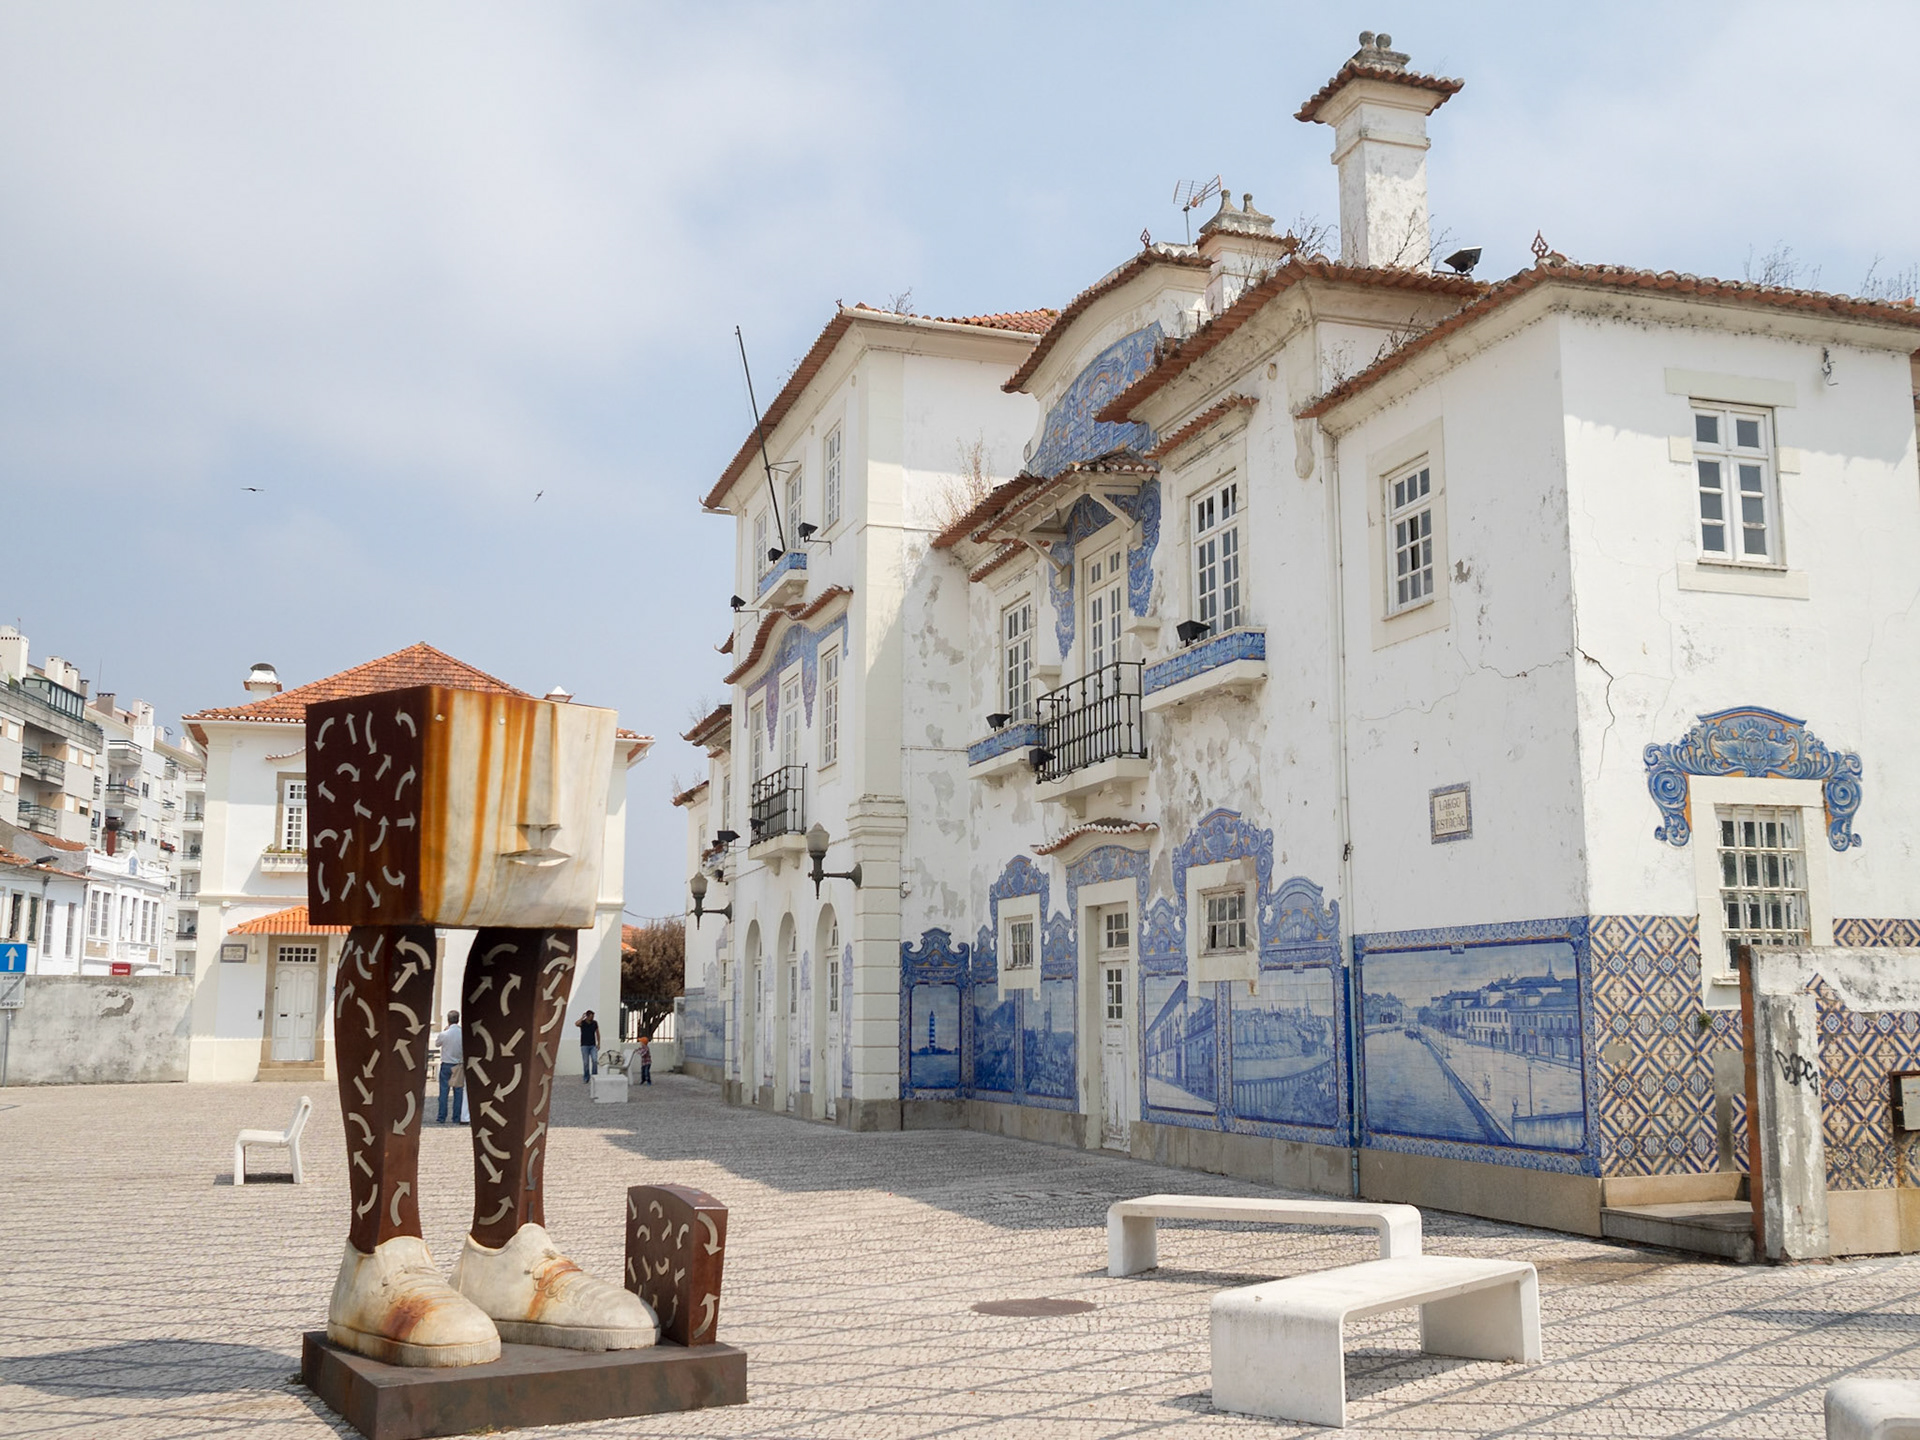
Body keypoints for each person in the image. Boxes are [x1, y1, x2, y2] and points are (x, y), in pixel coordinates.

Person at [435, 1010, 463, 1124]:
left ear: (448, 1020)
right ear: (458, 1019)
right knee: (458, 1093)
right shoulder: (462, 1033)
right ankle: (456, 1117)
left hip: (446, 1064)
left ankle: (442, 1117)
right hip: (458, 1065)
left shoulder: (444, 1034)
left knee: (443, 1092)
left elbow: (437, 1044)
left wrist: (444, 1031)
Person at [577, 1009, 600, 1085]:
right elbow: (576, 1024)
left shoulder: (594, 1023)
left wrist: (598, 1043)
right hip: (584, 1045)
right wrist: (582, 1017)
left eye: (593, 1016)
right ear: (587, 1016)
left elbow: (597, 1033)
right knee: (586, 1062)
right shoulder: (582, 1023)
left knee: (595, 1060)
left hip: (593, 1045)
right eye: (591, 1016)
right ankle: (586, 1077)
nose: (592, 1018)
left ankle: (594, 1076)